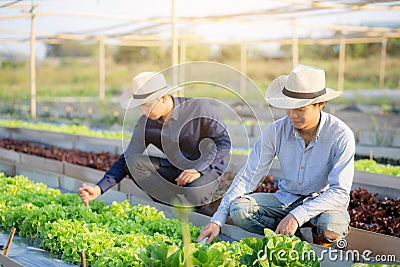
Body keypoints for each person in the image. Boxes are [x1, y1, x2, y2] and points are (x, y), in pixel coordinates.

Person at [197, 64, 355, 246]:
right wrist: (217, 219)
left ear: (320, 104)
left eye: (300, 109)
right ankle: (291, 242)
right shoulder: (276, 131)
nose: (292, 115)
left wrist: (297, 216)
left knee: (333, 225)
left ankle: (318, 251)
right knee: (239, 209)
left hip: (322, 203)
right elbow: (249, 175)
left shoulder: (340, 135)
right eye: (288, 107)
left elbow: (340, 192)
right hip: (286, 199)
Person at [78, 71, 231, 208]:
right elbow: (127, 157)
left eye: (147, 105)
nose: (144, 112)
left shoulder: (198, 108)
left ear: (163, 98)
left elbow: (223, 142)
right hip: (174, 169)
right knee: (132, 163)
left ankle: (208, 210)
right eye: (140, 107)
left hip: (205, 169)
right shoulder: (146, 122)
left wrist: (198, 168)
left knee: (195, 193)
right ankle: (172, 209)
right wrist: (98, 189)